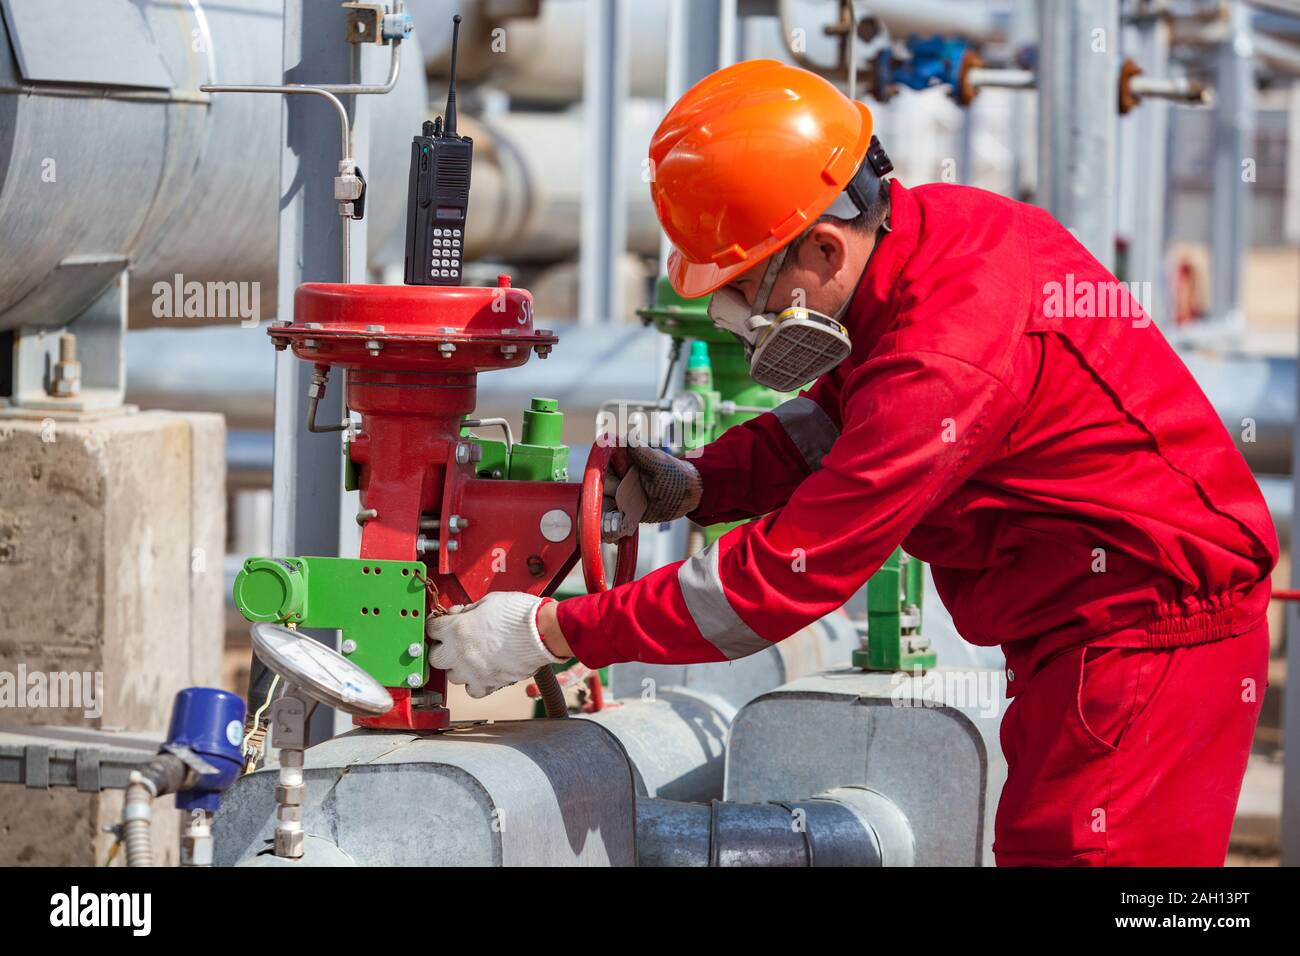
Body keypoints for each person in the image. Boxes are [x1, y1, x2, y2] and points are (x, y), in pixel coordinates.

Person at [427, 60, 1276, 866]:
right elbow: (841, 419)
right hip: (1089, 632)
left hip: (1144, 643)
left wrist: (549, 634)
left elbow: (779, 582)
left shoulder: (946, 360)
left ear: (825, 251)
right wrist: (702, 481)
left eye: (744, 289)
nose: (733, 318)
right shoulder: (933, 238)